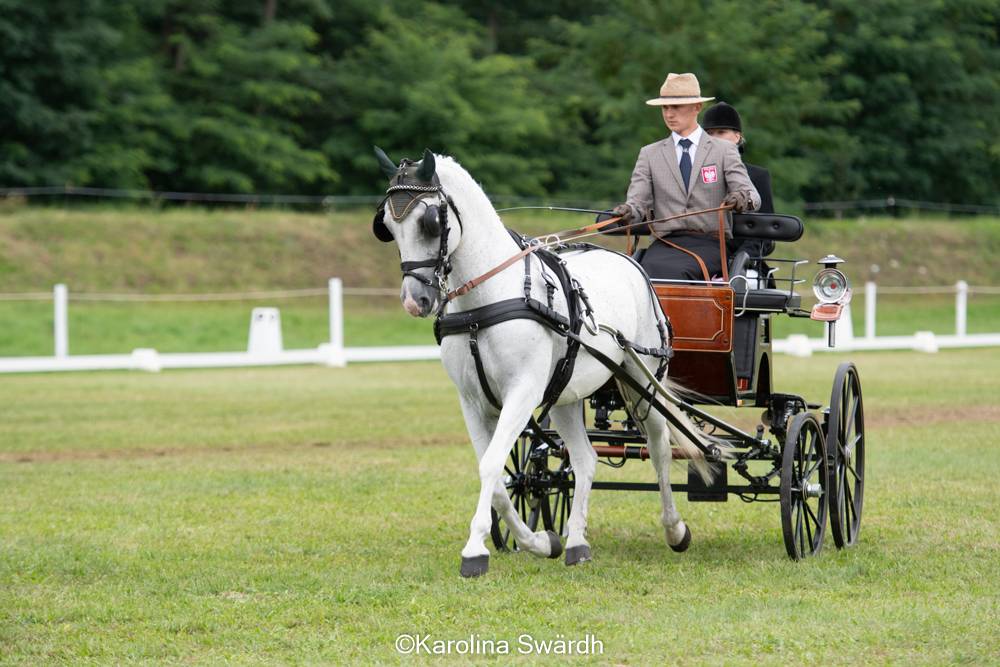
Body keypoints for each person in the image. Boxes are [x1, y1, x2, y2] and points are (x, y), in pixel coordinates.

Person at [612, 73, 759, 281]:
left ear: (697, 107)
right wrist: (627, 211)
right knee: (639, 276)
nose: (669, 114)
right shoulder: (649, 154)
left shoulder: (724, 150)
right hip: (666, 243)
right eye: (665, 108)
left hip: (710, 243)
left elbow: (752, 195)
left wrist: (742, 198)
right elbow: (637, 204)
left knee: (675, 273)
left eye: (676, 107)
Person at [701, 101, 773, 214]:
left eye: (721, 132)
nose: (714, 138)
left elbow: (767, 223)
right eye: (709, 133)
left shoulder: (759, 175)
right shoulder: (695, 172)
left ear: (737, 137)